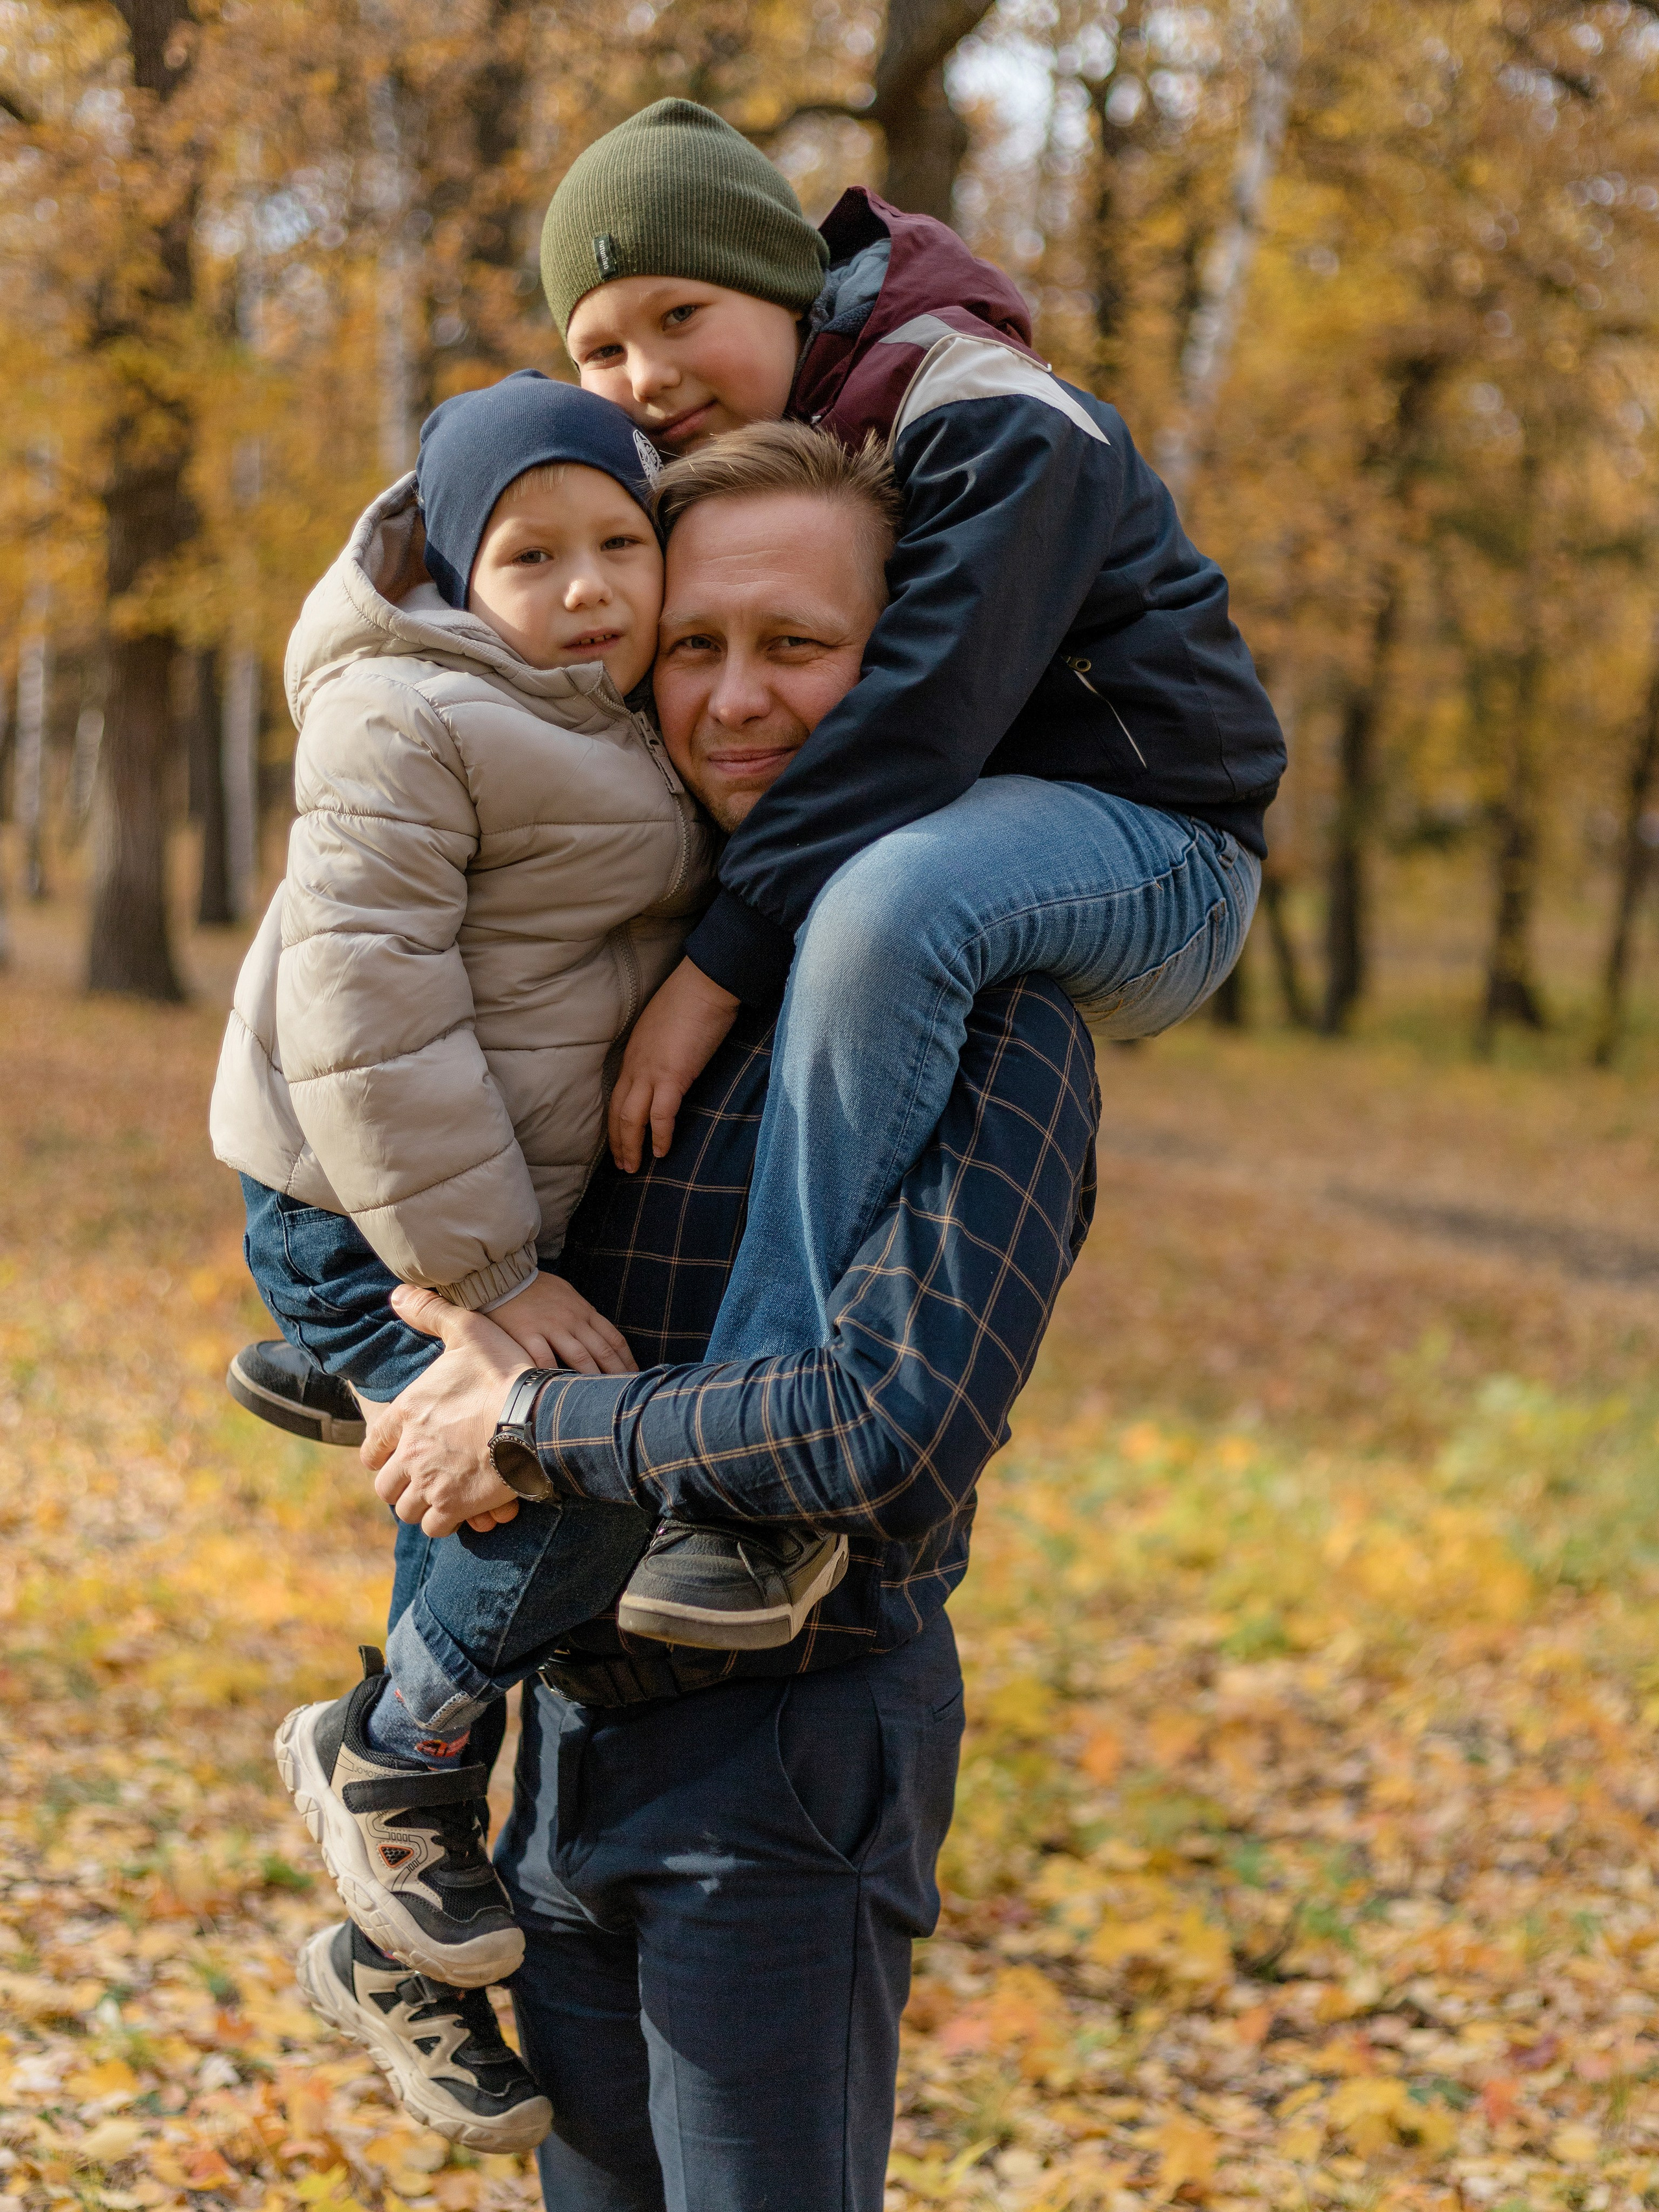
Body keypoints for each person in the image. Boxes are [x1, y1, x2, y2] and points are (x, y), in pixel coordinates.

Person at [542, 97, 1285, 1367]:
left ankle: (759, 1423)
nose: (646, 376)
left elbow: (920, 717)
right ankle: (408, 1306)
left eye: (680, 317)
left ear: (786, 292)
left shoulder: (981, 407)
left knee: (889, 905)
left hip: (1154, 839)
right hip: (949, 824)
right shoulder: (729, 467)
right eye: (599, 350)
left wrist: (710, 975)